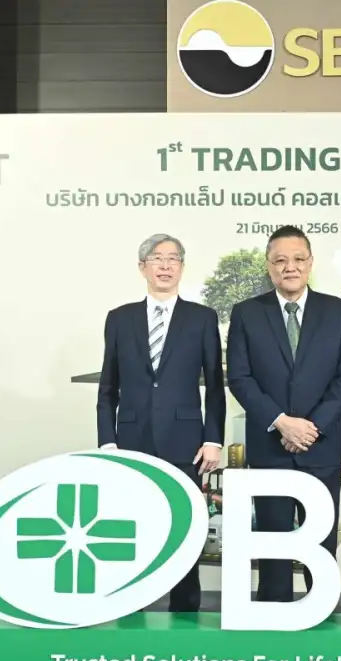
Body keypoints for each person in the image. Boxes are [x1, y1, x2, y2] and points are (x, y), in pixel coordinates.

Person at [226, 225, 341, 603]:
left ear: (310, 263)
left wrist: (310, 427)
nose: (290, 267)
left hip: (321, 446)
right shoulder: (247, 313)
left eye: (299, 259)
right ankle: (273, 615)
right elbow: (240, 378)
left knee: (322, 542)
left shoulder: (338, 312)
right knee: (272, 543)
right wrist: (282, 422)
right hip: (270, 446)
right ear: (268, 266)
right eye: (280, 260)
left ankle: (322, 610)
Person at [96, 233, 226, 612]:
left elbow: (215, 386)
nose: (165, 265)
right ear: (143, 268)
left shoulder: (202, 318)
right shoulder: (119, 319)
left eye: (173, 259)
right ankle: (130, 608)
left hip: (186, 442)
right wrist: (108, 441)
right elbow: (108, 386)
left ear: (182, 267)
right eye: (157, 258)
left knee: (184, 528)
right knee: (132, 528)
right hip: (131, 440)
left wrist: (213, 438)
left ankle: (185, 612)